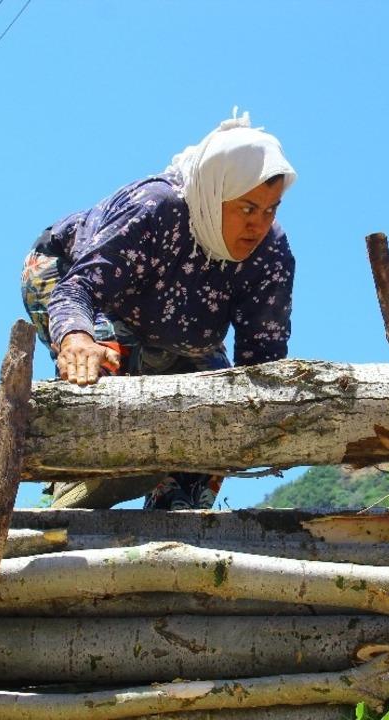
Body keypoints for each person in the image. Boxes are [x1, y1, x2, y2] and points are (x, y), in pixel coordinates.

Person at [22, 110, 297, 510]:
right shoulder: (157, 207)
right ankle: (83, 473)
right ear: (215, 194)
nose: (258, 225)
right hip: (79, 285)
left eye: (270, 209)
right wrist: (76, 338)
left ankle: (175, 504)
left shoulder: (270, 254)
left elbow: (260, 367)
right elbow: (78, 289)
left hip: (177, 329)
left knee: (222, 399)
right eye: (247, 208)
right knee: (103, 358)